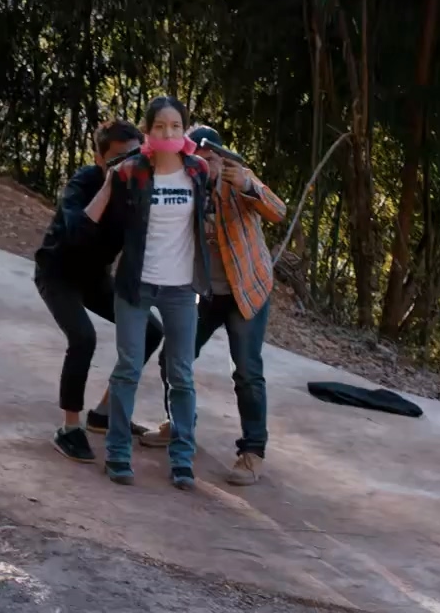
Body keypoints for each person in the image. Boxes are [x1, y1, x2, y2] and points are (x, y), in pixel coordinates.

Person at [137, 126, 286, 486]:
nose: (203, 166)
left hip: (246, 290)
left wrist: (247, 185)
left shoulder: (240, 180)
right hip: (204, 294)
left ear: (221, 159)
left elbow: (278, 211)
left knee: (246, 370)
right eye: (196, 160)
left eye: (210, 160)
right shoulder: (182, 187)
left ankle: (253, 451)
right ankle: (179, 424)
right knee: (173, 357)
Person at [87, 96, 213, 490]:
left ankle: (182, 459)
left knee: (182, 375)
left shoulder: (198, 170)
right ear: (148, 131)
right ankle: (118, 453)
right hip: (136, 283)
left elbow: (206, 220)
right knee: (128, 368)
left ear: (184, 130)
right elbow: (93, 217)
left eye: (176, 125)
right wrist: (110, 179)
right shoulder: (132, 171)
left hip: (181, 289)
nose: (168, 132)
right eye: (160, 126)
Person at [35, 120, 169, 464]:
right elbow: (77, 233)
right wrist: (110, 184)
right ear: (99, 158)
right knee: (83, 337)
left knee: (151, 331)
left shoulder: (142, 187)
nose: (128, 165)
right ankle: (69, 428)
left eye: (135, 156)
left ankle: (105, 413)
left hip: (96, 278)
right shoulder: (84, 182)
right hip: (58, 272)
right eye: (118, 159)